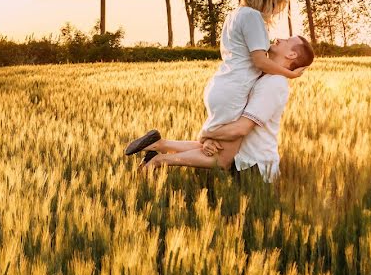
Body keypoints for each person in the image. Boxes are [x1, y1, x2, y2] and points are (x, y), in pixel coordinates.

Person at [124, 0, 304, 161]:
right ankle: (158, 160)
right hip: (234, 90)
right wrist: (290, 74)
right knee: (222, 159)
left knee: (214, 146)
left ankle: (159, 145)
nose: (273, 13)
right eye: (275, 6)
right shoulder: (253, 16)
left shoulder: (235, 15)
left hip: (222, 85)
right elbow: (259, 61)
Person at [125, 35, 315, 181]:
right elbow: (234, 121)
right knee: (210, 150)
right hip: (242, 160)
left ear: (292, 55)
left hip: (255, 167)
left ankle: (159, 156)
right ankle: (159, 147)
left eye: (287, 41)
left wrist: (206, 135)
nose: (279, 38)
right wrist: (209, 138)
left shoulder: (274, 83)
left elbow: (241, 128)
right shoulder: (264, 76)